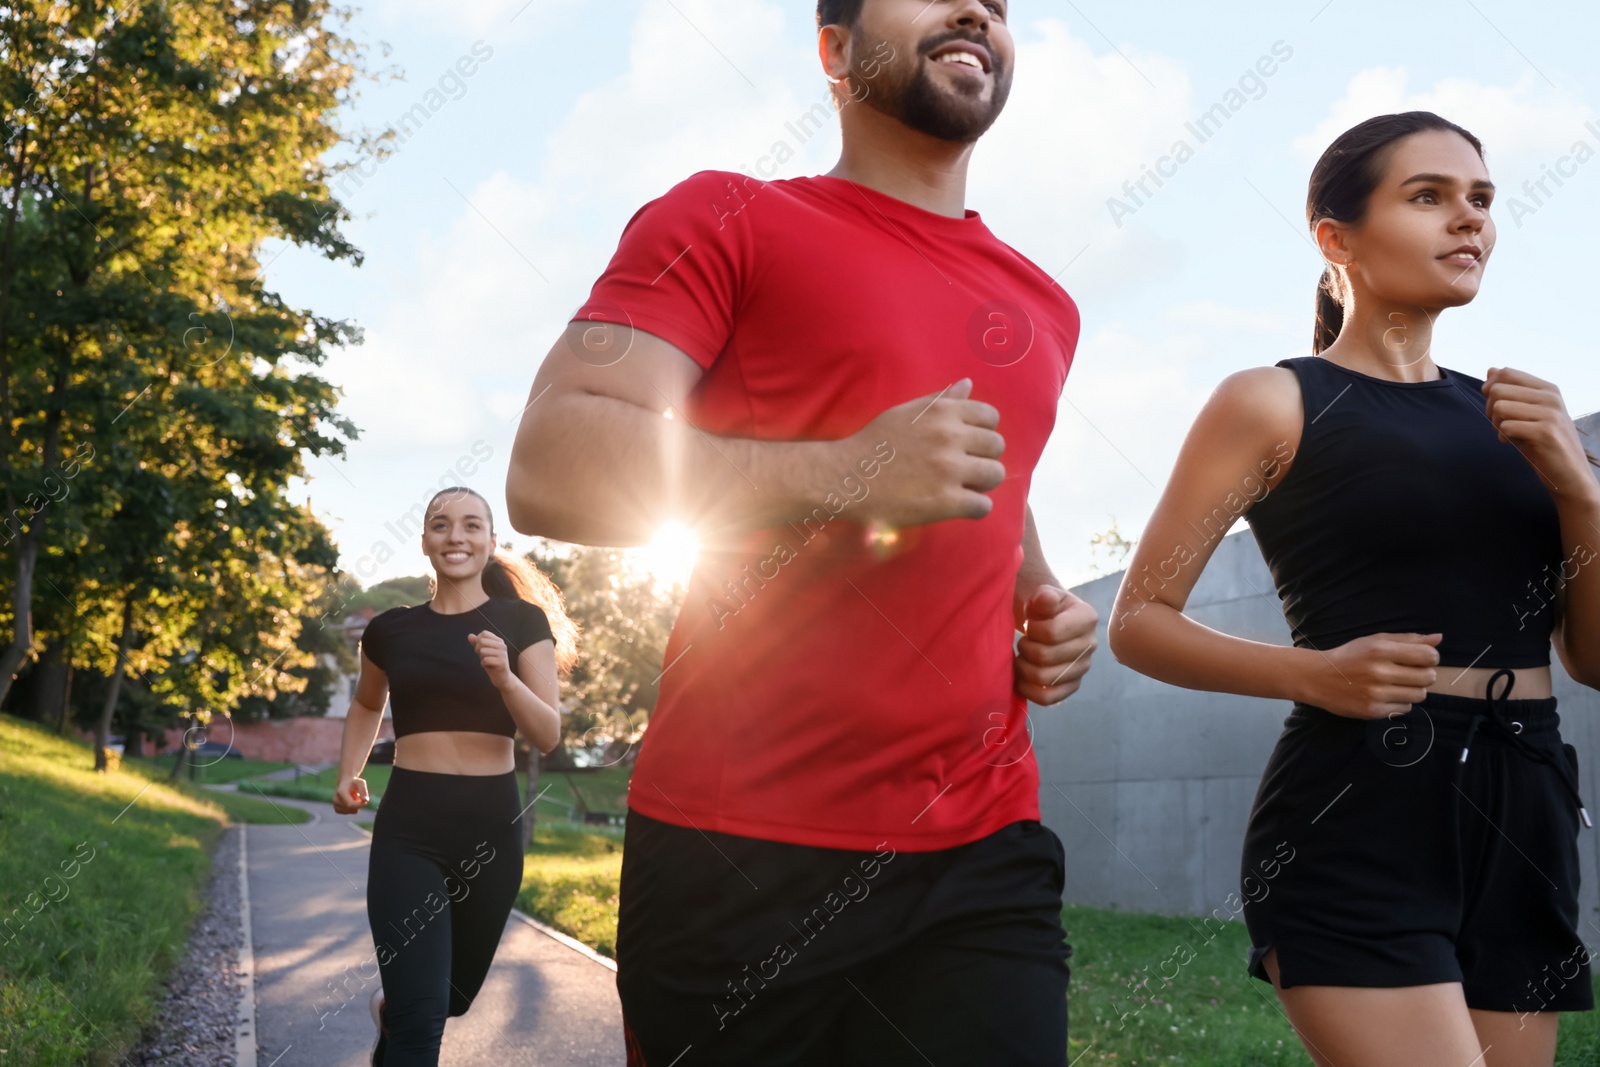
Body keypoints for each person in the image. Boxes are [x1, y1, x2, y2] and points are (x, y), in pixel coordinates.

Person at [506, 1, 1099, 1063]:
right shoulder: (723, 215)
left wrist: (1043, 597)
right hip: (738, 856)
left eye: (999, 3)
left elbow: (993, 483)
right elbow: (552, 462)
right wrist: (847, 471)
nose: (976, 8)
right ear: (833, 50)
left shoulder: (1042, 303)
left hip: (981, 841)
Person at [1107, 111, 1600, 1066]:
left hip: (1528, 797)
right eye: (1429, 196)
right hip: (1362, 800)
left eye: (1482, 200)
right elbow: (1138, 623)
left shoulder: (1517, 419)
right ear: (1336, 237)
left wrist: (1582, 491)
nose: (1470, 220)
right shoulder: (1273, 400)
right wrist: (1315, 674)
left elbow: (1592, 658)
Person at [331, 486, 577, 1066]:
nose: (456, 536)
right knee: (421, 1029)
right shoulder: (391, 630)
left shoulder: (522, 620)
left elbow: (547, 733)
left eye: (471, 525)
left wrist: (505, 678)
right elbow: (368, 705)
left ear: (492, 542)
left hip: (490, 830)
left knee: (451, 999)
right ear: (424, 543)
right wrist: (348, 773)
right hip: (409, 831)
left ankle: (394, 1014)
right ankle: (405, 1020)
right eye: (441, 526)